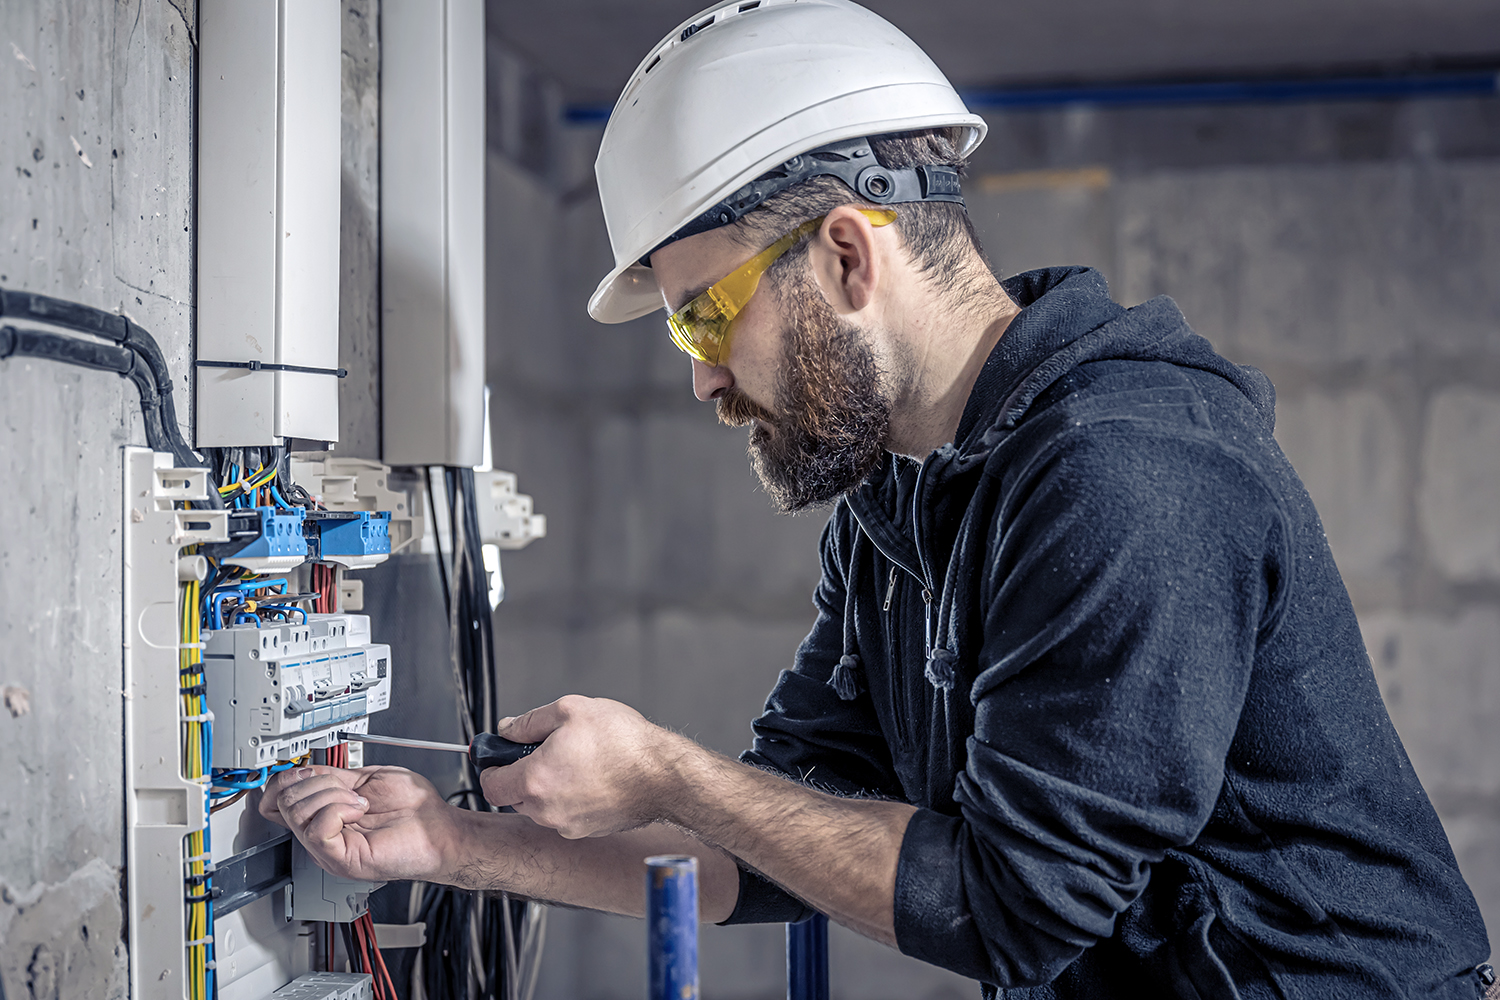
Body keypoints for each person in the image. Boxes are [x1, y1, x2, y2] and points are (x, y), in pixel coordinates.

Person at [262, 1, 1495, 995]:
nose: (700, 375)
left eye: (705, 311)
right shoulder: (896, 507)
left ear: (849, 255)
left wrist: (671, 771)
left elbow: (1014, 910)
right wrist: (458, 845)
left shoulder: (1128, 471)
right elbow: (775, 847)